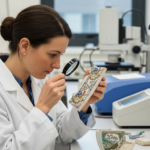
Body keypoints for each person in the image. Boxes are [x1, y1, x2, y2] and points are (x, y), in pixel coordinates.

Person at [0, 5, 108, 150]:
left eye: (60, 55)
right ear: (25, 46)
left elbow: (60, 133)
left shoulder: (38, 79)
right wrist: (42, 108)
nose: (57, 65)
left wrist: (84, 104)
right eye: (52, 54)